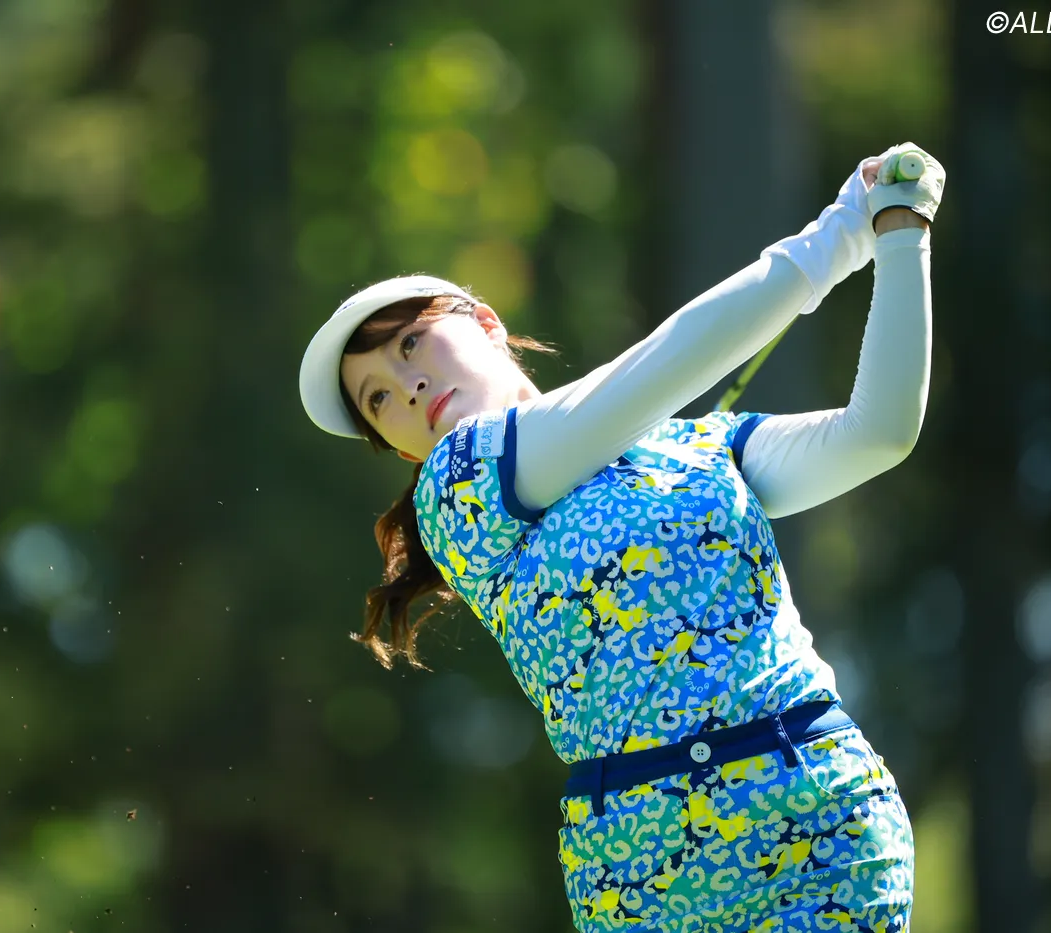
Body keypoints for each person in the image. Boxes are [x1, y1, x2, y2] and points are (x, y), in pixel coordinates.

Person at [298, 142, 943, 932]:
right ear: (399, 450)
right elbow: (664, 365)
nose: (407, 386)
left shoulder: (701, 444)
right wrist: (841, 232)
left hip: (822, 826)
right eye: (377, 399)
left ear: (486, 323)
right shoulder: (457, 490)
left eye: (409, 343)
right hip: (643, 878)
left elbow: (877, 433)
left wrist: (902, 235)